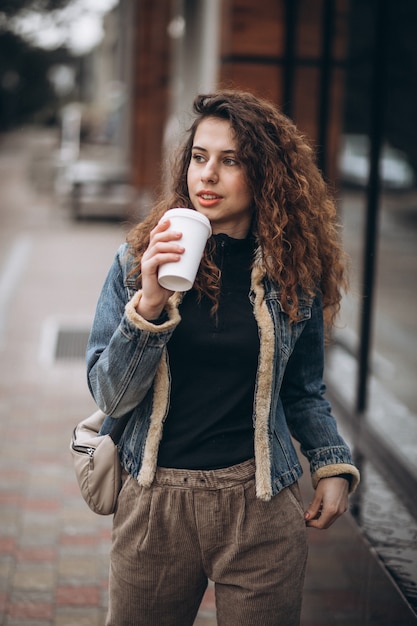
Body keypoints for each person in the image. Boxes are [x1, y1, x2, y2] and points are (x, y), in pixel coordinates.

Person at [86, 90, 360, 626]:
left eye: (230, 161)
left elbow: (303, 390)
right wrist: (148, 305)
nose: (207, 175)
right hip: (153, 502)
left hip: (260, 505)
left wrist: (330, 464)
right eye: (199, 157)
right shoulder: (136, 260)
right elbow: (110, 395)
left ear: (266, 176)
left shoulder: (294, 274)